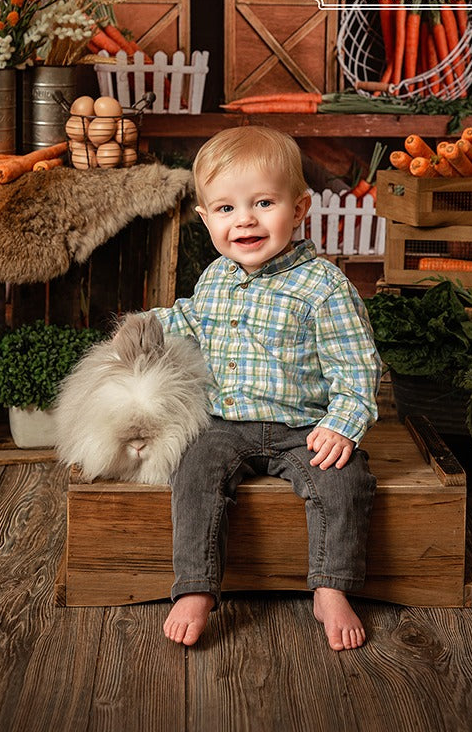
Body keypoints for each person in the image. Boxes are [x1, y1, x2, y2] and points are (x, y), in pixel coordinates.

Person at [151, 126, 381, 651]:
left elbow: (357, 368)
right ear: (206, 218)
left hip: (303, 426)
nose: (245, 220)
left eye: (263, 202)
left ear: (299, 209)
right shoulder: (214, 277)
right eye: (226, 209)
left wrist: (341, 426)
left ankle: (330, 586)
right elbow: (193, 319)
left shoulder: (322, 286)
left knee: (344, 482)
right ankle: (197, 586)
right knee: (193, 470)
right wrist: (151, 326)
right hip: (225, 424)